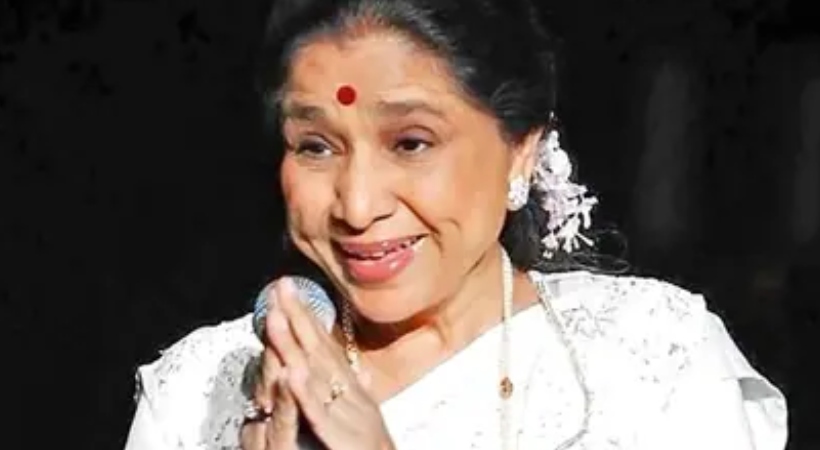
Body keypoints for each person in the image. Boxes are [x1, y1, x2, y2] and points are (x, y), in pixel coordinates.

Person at [124, 0, 788, 448]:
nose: (357, 206)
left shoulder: (653, 359)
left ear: (521, 151)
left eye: (411, 143)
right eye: (316, 147)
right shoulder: (201, 389)